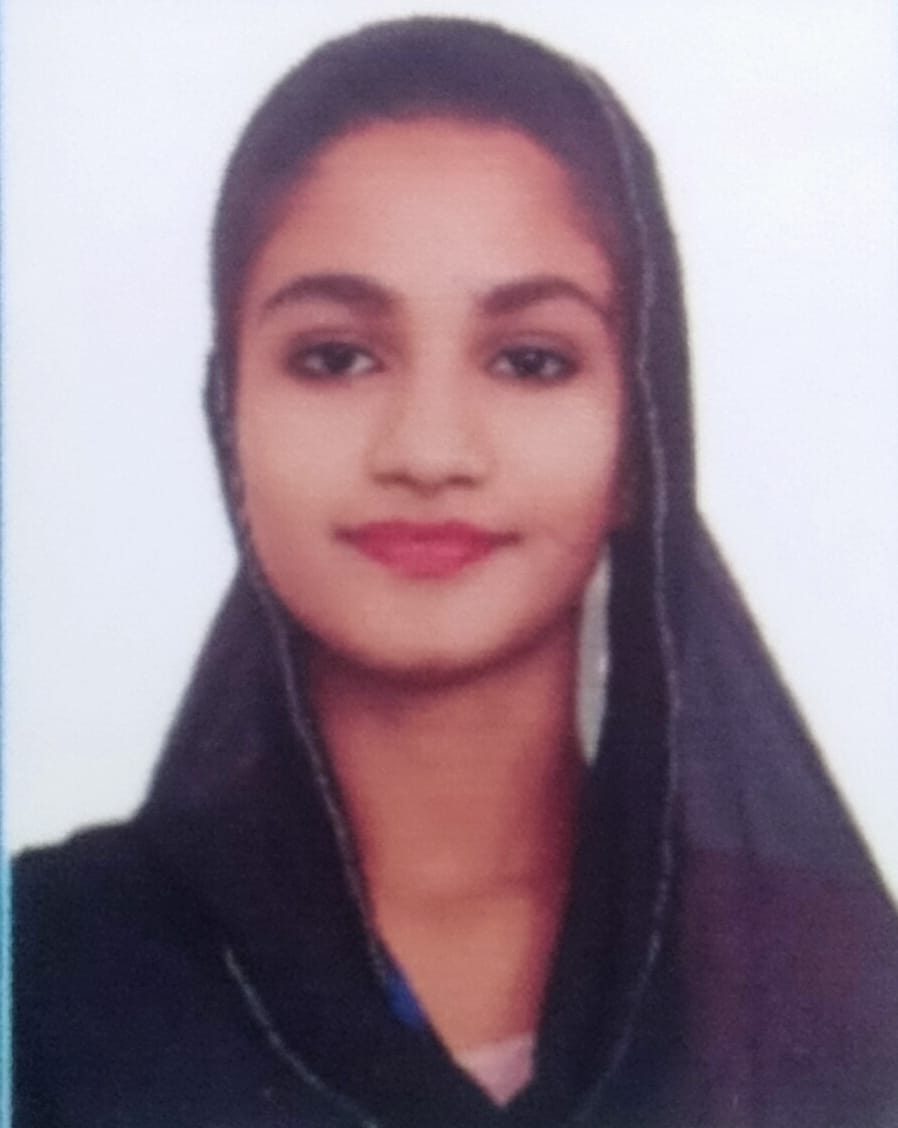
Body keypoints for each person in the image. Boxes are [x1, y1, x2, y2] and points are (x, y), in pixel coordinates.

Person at [13, 16, 898, 1128]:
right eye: (336, 357)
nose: (429, 451)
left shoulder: (832, 989)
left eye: (530, 360)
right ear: (226, 422)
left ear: (642, 440)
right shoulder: (37, 971)